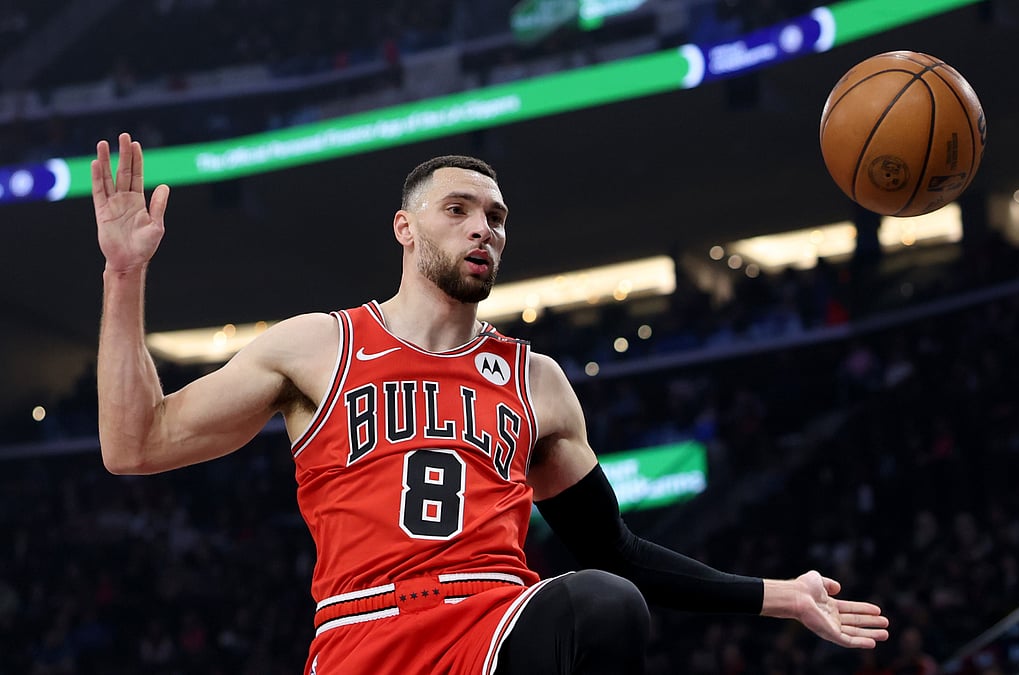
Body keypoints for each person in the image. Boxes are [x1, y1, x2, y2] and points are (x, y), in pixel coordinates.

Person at [93, 133, 890, 674]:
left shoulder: (535, 381)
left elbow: (613, 549)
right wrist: (124, 277)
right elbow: (135, 444)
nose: (486, 230)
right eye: (460, 210)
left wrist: (779, 594)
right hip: (362, 635)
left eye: (498, 217)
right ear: (405, 228)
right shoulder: (319, 345)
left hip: (492, 629)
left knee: (605, 603)